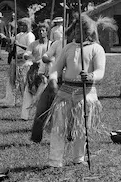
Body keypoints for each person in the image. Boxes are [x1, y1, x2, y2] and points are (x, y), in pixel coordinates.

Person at [45, 14, 115, 167]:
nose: (77, 31)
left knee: (81, 127)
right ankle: (55, 160)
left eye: (81, 29)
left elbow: (100, 72)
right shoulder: (68, 48)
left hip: (85, 94)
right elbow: (56, 68)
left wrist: (90, 76)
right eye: (76, 28)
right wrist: (52, 79)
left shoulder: (97, 49)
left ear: (89, 32)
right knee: (59, 125)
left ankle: (78, 158)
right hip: (64, 93)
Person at [21, 21, 50, 121]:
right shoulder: (34, 44)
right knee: (28, 92)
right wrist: (30, 56)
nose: (41, 32)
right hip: (34, 71)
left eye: (43, 30)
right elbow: (26, 54)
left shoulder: (51, 44)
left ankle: (44, 115)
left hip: (47, 71)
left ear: (47, 32)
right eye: (39, 31)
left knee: (44, 94)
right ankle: (25, 116)